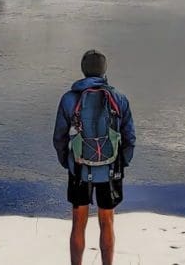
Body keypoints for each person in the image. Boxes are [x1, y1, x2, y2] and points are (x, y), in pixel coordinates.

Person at [53, 50, 135, 265]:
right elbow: (130, 138)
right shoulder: (118, 97)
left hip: (79, 168)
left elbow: (59, 137)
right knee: (107, 221)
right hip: (110, 169)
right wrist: (121, 163)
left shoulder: (69, 99)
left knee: (78, 222)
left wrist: (68, 162)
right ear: (104, 70)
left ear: (83, 69)